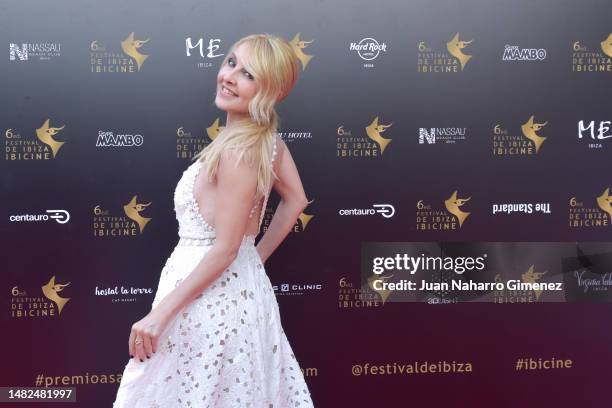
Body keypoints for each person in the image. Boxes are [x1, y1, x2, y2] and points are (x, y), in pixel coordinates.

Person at [113, 34, 315, 407]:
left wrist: (160, 314)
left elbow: (223, 249)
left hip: (205, 304)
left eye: (248, 74)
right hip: (234, 292)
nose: (230, 76)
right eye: (231, 62)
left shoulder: (239, 152)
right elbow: (297, 201)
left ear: (270, 91)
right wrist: (251, 260)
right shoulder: (267, 142)